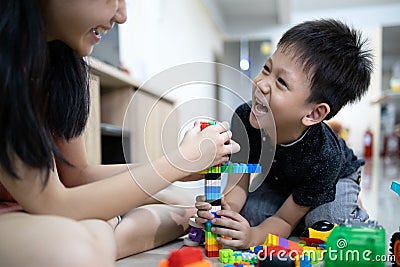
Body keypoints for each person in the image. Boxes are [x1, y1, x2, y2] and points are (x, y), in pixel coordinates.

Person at [0, 1, 240, 266]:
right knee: (79, 249)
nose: (122, 16)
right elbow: (52, 203)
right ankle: (104, 235)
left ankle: (103, 233)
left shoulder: (55, 62)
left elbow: (76, 175)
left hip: (38, 206)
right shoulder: (11, 67)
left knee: (180, 202)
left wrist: (179, 168)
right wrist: (177, 162)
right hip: (33, 209)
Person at [196, 18, 373, 249]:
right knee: (250, 214)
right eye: (266, 69)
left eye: (281, 82)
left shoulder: (324, 157)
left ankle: (348, 203)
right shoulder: (244, 119)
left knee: (328, 226)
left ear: (313, 113)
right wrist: (223, 210)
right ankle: (305, 206)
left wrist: (253, 237)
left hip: (335, 178)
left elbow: (283, 220)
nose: (261, 84)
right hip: (284, 180)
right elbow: (238, 186)